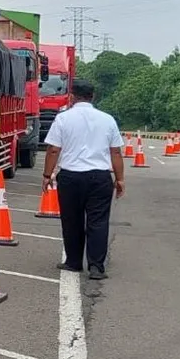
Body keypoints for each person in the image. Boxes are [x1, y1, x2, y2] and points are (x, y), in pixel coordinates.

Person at [42, 79, 124, 280]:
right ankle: (96, 266)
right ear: (93, 96)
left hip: (71, 177)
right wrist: (120, 178)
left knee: (71, 220)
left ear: (72, 96)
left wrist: (47, 175)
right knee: (98, 221)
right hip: (100, 177)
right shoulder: (108, 120)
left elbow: (53, 149)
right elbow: (115, 152)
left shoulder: (63, 119)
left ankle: (73, 261)